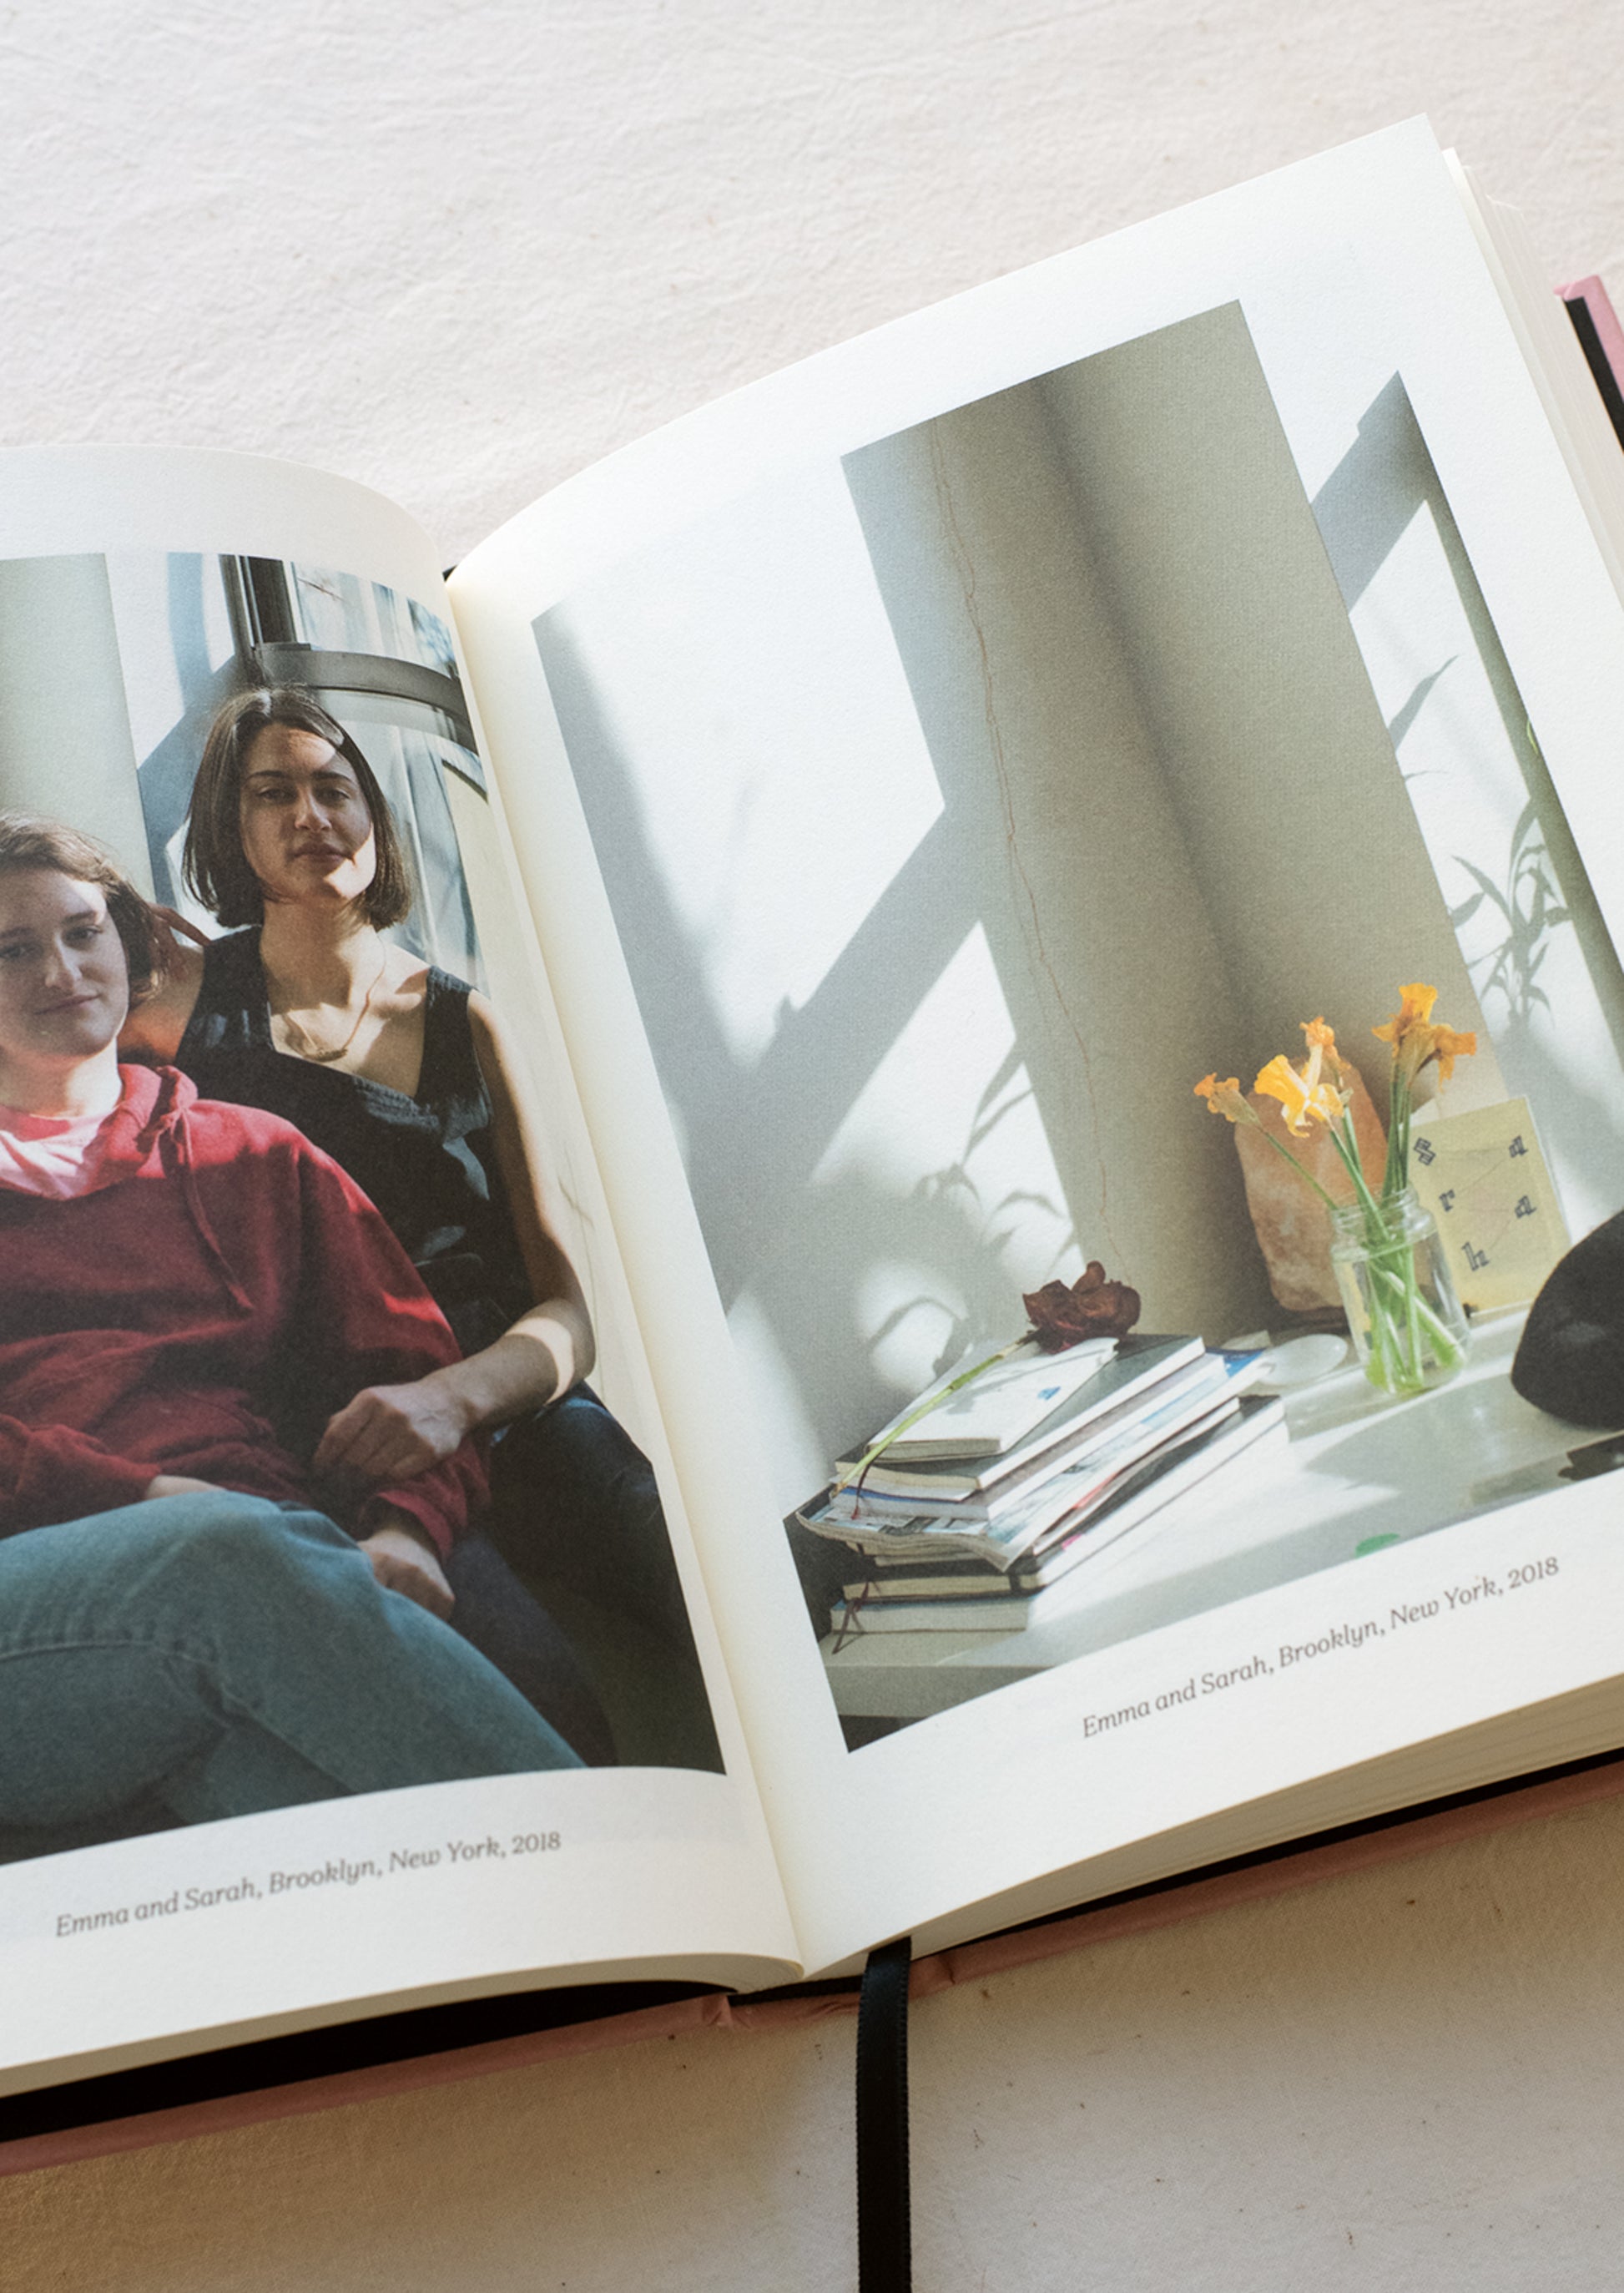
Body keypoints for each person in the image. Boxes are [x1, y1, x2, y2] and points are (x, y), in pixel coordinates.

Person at [0, 816, 582, 1854]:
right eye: (10, 949)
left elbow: (409, 1373)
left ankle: (592, 1972)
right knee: (219, 1560)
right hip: (46, 1596)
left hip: (257, 1585)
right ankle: (618, 1877)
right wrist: (149, 1501)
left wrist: (406, 1525)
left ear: (129, 946)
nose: (60, 967)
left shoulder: (255, 1154)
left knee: (325, 1808)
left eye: (83, 931)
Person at [124, 688, 700, 1679]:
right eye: (273, 794)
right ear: (231, 827)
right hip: (329, 1436)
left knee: (698, 1578)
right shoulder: (174, 1015)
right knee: (526, 1680)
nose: (310, 815)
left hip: (501, 1404)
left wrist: (453, 1400)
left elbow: (565, 1310)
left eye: (333, 788)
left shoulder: (465, 1022)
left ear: (374, 822)